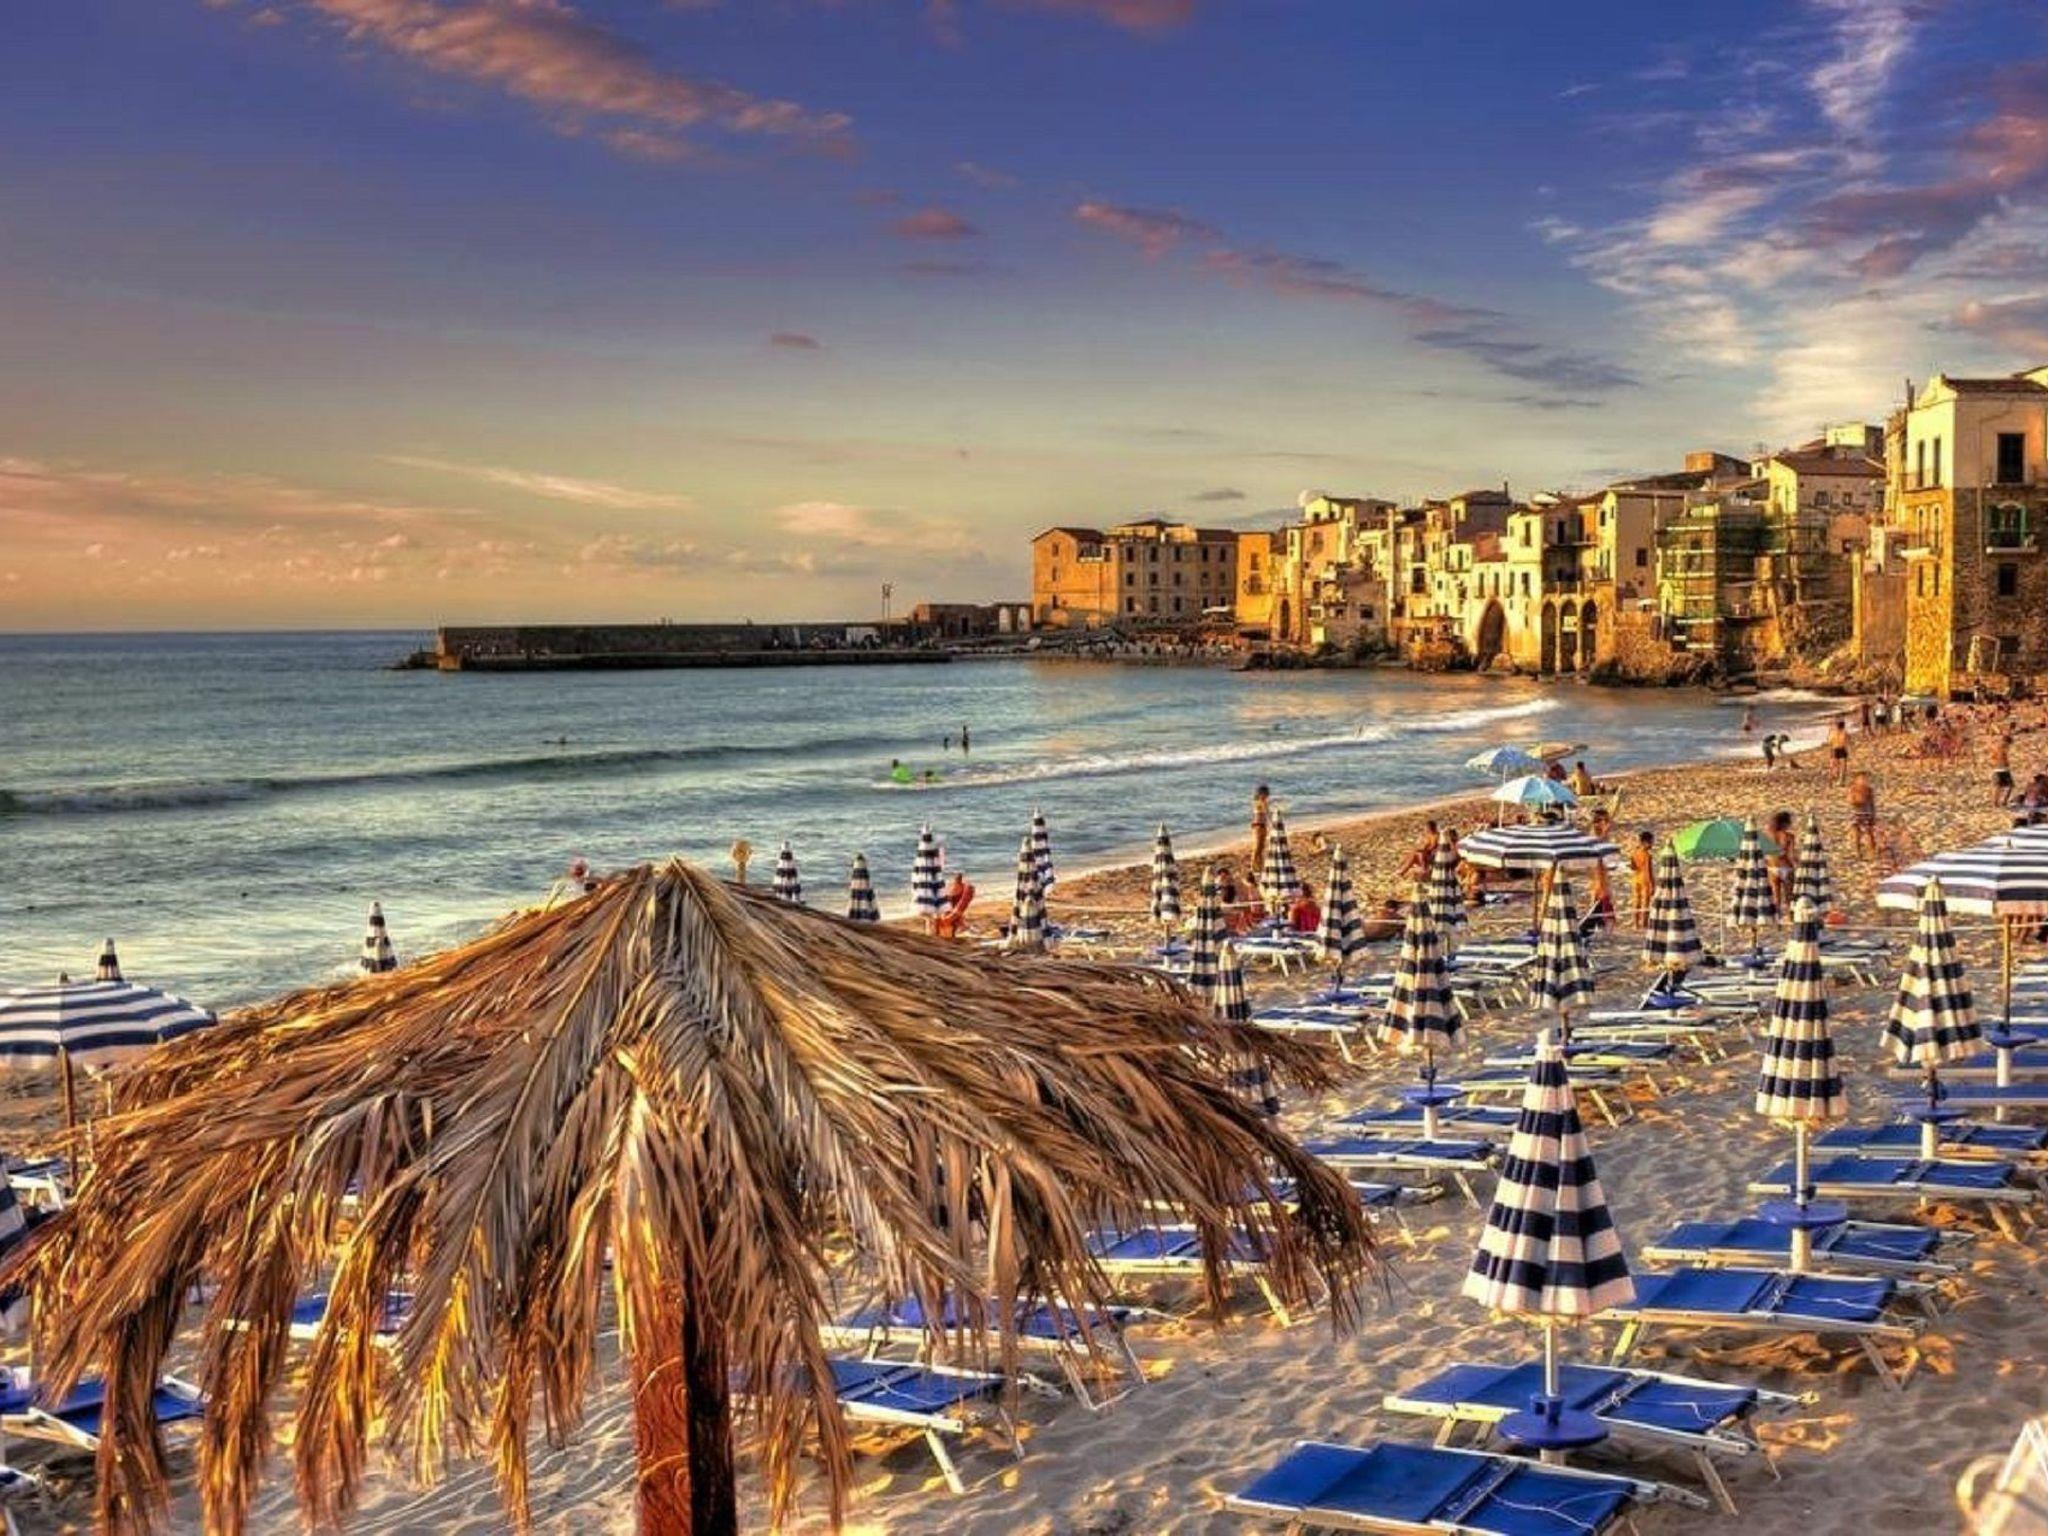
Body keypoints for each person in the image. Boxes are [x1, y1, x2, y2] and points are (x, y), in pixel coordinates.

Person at [1767, 810, 1796, 912]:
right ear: (1785, 823)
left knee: (1776, 898)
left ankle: (1777, 917)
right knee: (1789, 897)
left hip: (1772, 868)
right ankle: (1789, 917)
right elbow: (1791, 855)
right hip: (1786, 867)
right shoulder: (1790, 836)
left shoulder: (1769, 835)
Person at [934, 871, 975, 939]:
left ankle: (951, 932)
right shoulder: (953, 888)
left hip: (953, 913)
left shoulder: (961, 887)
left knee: (951, 920)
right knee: (947, 919)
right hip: (951, 912)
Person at [1627, 829, 1655, 928]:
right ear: (1645, 842)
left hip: (1635, 879)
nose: (1652, 844)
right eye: (1651, 842)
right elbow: (1648, 871)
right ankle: (1644, 924)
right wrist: (1652, 885)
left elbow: (1632, 867)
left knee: (1636, 901)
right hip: (1645, 880)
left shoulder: (1634, 852)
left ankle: (1635, 924)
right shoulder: (1647, 855)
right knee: (1645, 903)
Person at [1848, 771, 1879, 857]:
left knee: (1869, 832)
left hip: (1866, 814)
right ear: (1856, 780)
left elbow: (1872, 803)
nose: (1863, 781)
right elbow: (1850, 800)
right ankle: (1858, 851)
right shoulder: (1853, 789)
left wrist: (1873, 814)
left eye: (1865, 779)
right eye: (1861, 779)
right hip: (1856, 814)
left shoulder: (1869, 790)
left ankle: (1872, 851)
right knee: (1856, 833)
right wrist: (1857, 801)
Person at [1249, 786, 1271, 874]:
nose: (1267, 796)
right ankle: (1253, 866)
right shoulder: (1259, 802)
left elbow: (1266, 814)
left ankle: (1260, 866)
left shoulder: (1263, 802)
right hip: (1257, 826)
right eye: (1265, 794)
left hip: (1262, 825)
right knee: (1257, 847)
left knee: (1261, 847)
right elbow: (1267, 812)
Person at [1993, 729, 2016, 807]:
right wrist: (2006, 764)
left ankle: (1997, 802)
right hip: (2002, 769)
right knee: (2008, 786)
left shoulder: (1999, 747)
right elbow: (2002, 758)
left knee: (1999, 787)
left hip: (1998, 768)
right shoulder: (2003, 748)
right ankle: (2002, 802)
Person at [1827, 716, 1851, 786]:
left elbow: (1829, 741)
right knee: (1842, 766)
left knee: (1834, 765)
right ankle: (1840, 781)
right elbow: (1848, 740)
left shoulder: (1833, 732)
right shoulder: (1845, 732)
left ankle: (1831, 779)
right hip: (1842, 749)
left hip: (1835, 749)